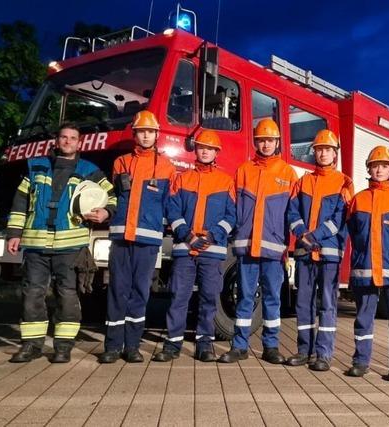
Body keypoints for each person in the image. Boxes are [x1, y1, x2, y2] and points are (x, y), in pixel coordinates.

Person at [6, 123, 116, 363]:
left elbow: (112, 197)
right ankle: (32, 345)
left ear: (79, 143)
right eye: (63, 137)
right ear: (56, 141)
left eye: (72, 138)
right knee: (32, 294)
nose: (67, 141)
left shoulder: (90, 170)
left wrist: (106, 212)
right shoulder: (35, 167)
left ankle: (63, 346)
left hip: (70, 246)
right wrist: (14, 233)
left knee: (67, 295)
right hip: (36, 244)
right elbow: (20, 202)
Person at [99, 111, 176, 364]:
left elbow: (168, 204)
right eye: (141, 131)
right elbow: (116, 196)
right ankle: (112, 346)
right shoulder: (121, 162)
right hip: (121, 237)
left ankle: (132, 345)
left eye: (150, 131)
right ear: (135, 134)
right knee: (117, 290)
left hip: (148, 240)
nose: (146, 135)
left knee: (140, 292)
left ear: (156, 135)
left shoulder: (166, 167)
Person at [218, 118, 297, 364]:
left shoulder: (287, 173)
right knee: (245, 296)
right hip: (246, 248)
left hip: (273, 251)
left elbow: (294, 212)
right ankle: (239, 345)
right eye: (262, 140)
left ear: (277, 143)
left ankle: (271, 346)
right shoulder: (243, 170)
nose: (265, 145)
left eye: (270, 141)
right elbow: (232, 207)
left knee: (273, 298)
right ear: (256, 142)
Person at [153, 130, 235, 362]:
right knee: (179, 296)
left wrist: (212, 236)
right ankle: (172, 344)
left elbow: (231, 216)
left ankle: (204, 344)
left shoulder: (226, 180)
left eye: (209, 148)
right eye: (201, 147)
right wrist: (187, 235)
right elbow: (172, 210)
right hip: (184, 249)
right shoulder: (182, 178)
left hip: (212, 250)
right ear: (195, 150)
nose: (205, 151)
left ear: (216, 152)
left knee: (209, 298)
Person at [285, 129, 354, 371]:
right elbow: (291, 212)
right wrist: (302, 233)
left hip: (328, 254)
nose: (323, 153)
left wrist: (312, 235)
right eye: (319, 149)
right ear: (314, 152)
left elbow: (340, 218)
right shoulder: (303, 181)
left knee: (327, 303)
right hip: (305, 252)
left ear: (335, 153)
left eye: (327, 149)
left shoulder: (344, 182)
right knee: (303, 303)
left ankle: (323, 354)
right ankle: (304, 350)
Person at [345, 146, 389, 382]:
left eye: (384, 166)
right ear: (369, 169)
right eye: (375, 166)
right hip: (365, 269)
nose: (380, 170)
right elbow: (353, 233)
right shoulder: (358, 200)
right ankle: (361, 362)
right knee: (363, 318)